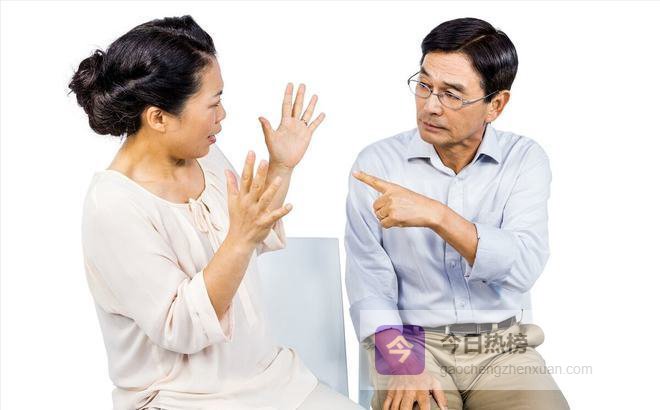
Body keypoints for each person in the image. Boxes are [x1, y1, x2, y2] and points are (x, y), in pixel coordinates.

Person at [71, 15, 360, 410]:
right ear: (158, 117)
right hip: (182, 398)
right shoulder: (113, 206)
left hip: (269, 378)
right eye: (213, 103)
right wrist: (239, 239)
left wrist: (281, 167)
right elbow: (182, 327)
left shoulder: (204, 156)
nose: (222, 115)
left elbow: (252, 232)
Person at [345, 17, 570, 410]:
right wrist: (402, 362)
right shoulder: (377, 164)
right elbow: (370, 287)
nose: (430, 106)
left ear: (495, 105)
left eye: (451, 94)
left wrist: (437, 215)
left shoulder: (524, 160)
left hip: (504, 347)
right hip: (411, 342)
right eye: (424, 85)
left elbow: (522, 268)